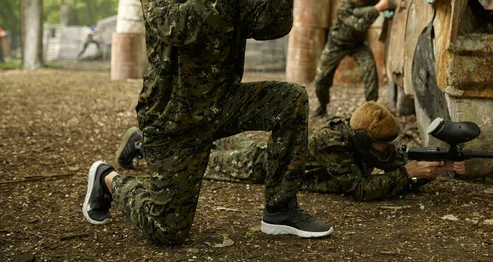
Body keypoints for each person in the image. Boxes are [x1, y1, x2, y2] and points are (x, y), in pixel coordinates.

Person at [82, 0, 333, 245]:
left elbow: (269, 26)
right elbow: (177, 29)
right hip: (172, 118)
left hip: (222, 103)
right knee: (167, 231)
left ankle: (280, 210)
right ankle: (107, 177)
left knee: (290, 99)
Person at [117, 101, 465, 202]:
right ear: (362, 140)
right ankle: (142, 146)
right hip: (261, 166)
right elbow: (361, 188)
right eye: (379, 144)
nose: (383, 150)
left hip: (270, 149)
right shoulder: (334, 144)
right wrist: (408, 175)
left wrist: (434, 170)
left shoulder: (353, 134)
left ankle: (154, 138)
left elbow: (389, 163)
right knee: (199, 163)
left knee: (214, 140)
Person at [311, 0, 396, 118]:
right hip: (337, 43)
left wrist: (395, 2)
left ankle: (371, 109)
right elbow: (359, 26)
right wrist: (377, 9)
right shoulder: (345, 4)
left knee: (370, 70)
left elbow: (391, 4)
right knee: (322, 77)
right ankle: (322, 106)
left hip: (358, 44)